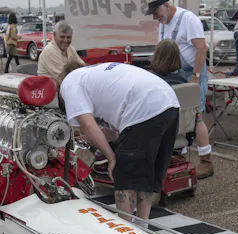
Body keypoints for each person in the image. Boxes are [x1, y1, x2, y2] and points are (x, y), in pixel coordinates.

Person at [57, 61, 180, 222]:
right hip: (169, 102)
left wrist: (111, 158)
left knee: (124, 177)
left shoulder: (69, 83)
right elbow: (113, 134)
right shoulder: (95, 79)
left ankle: (126, 228)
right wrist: (90, 138)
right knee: (146, 174)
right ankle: (143, 225)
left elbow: (87, 125)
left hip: (143, 106)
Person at [147, 0, 214, 179]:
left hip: (192, 73)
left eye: (156, 12)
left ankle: (206, 161)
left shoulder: (188, 19)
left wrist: (195, 77)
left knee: (195, 116)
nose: (155, 17)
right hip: (174, 76)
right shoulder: (163, 24)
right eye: (152, 13)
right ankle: (178, 155)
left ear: (166, 4)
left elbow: (201, 49)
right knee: (175, 116)